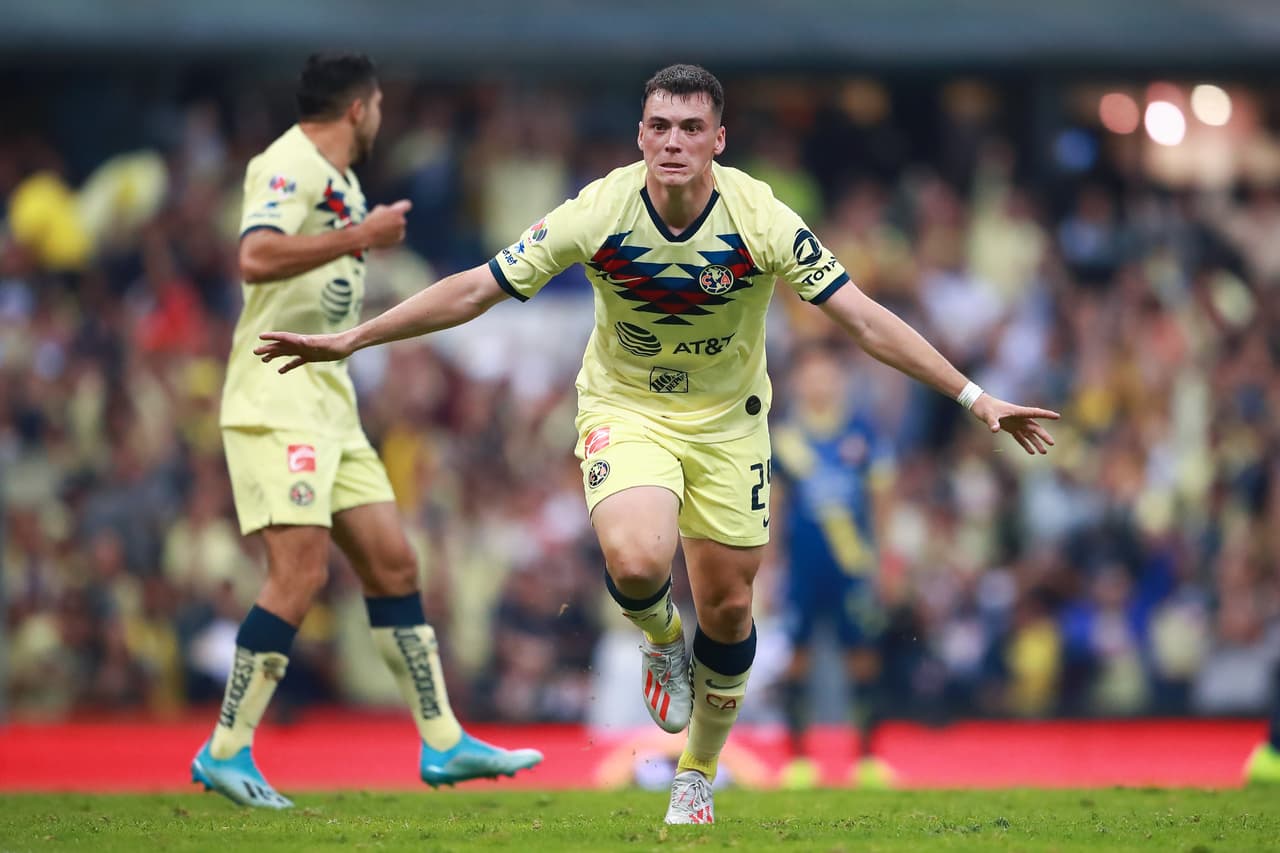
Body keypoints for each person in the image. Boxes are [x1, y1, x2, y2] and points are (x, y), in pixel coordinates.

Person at [254, 63, 1060, 823]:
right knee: (639, 562)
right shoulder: (598, 211)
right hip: (626, 408)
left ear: (718, 140)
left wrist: (973, 395)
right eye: (659, 126)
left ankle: (696, 774)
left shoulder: (760, 218)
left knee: (731, 606)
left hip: (730, 423)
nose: (673, 140)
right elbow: (475, 288)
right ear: (641, 137)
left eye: (690, 127)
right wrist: (354, 339)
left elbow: (862, 317)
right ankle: (662, 643)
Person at [192, 52, 541, 809]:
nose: (381, 117)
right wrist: (359, 238)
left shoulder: (343, 185)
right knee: (299, 574)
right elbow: (254, 256)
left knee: (394, 562)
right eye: (378, 105)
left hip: (332, 403)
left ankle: (443, 739)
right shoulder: (288, 163)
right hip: (277, 398)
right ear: (359, 109)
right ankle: (226, 748)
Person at [771, 340, 896, 790]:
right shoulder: (784, 438)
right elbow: (776, 508)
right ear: (798, 382)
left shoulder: (862, 434)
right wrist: (768, 572)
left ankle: (866, 759)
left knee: (862, 658)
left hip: (853, 567)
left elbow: (881, 502)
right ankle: (799, 760)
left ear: (841, 379)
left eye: (827, 373)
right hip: (803, 569)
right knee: (797, 658)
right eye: (810, 373)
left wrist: (884, 562)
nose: (819, 382)